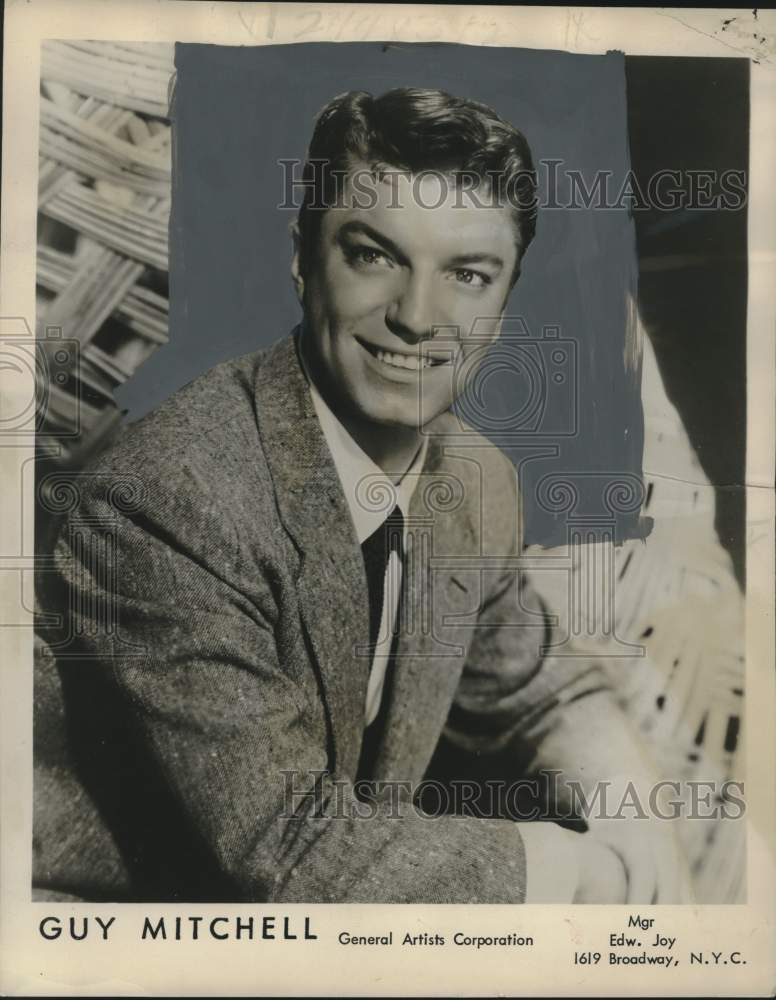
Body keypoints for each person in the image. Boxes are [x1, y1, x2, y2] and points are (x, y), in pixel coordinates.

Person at [36, 87, 692, 904]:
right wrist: (581, 875)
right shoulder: (170, 499)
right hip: (102, 923)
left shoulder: (473, 480)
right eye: (374, 255)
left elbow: (539, 687)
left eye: (468, 274)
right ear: (303, 258)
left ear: (505, 301)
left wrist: (639, 832)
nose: (419, 317)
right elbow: (290, 847)